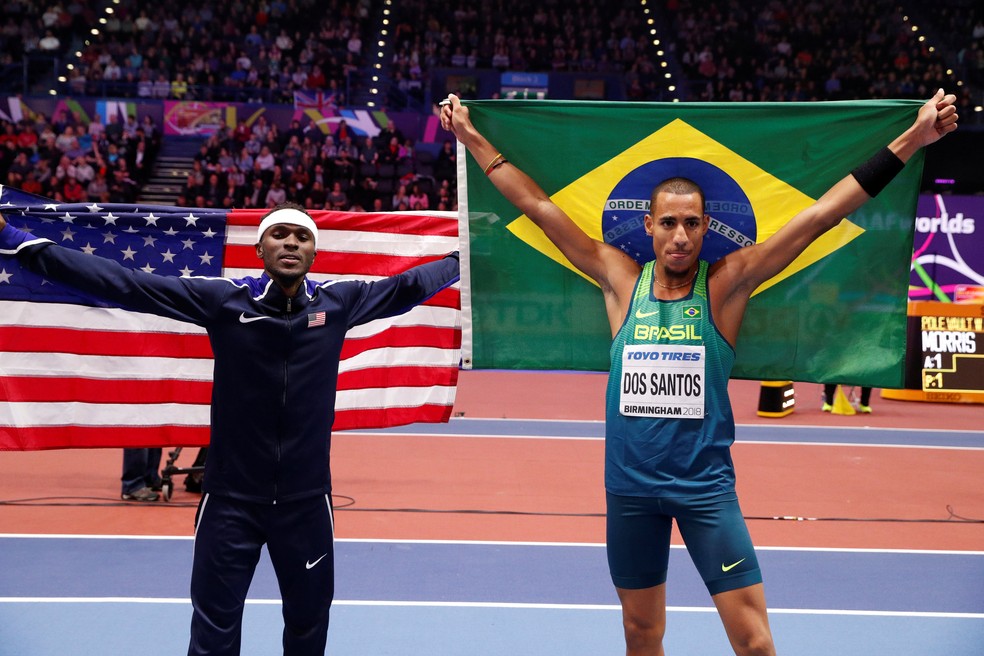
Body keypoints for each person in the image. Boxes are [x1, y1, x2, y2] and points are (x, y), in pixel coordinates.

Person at [441, 90, 957, 655]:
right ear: (649, 225)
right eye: (669, 222)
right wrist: (472, 137)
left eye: (691, 223)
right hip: (631, 492)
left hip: (705, 491)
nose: (681, 235)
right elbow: (539, 209)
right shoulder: (619, 279)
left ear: (707, 225)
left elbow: (820, 215)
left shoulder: (727, 283)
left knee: (755, 642)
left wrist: (912, 139)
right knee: (641, 634)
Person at [0, 202, 460, 655]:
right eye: (279, 235)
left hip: (305, 506)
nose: (290, 244)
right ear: (259, 249)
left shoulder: (338, 304)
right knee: (213, 633)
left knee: (308, 627)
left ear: (314, 255)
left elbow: (409, 286)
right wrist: (12, 238)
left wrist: (466, 260)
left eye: (301, 238)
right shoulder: (224, 301)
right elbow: (125, 283)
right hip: (229, 504)